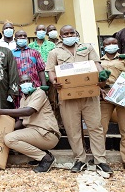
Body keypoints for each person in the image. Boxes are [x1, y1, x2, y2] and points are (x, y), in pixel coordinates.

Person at [46, 25, 113, 174]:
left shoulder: (87, 48)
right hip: (67, 96)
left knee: (95, 127)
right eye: (66, 33)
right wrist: (53, 81)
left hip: (89, 95)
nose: (69, 35)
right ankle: (80, 159)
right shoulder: (54, 52)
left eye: (72, 33)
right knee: (72, 129)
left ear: (76, 34)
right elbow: (51, 71)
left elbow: (97, 64)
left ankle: (100, 160)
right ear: (61, 37)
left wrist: (102, 76)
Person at [0, 74, 60, 173]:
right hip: (36, 133)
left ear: (33, 83)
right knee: (8, 136)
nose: (25, 84)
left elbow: (28, 111)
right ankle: (40, 155)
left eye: (27, 81)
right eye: (22, 82)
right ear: (19, 86)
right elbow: (21, 122)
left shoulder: (39, 93)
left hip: (47, 133)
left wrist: (1, 111)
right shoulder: (23, 99)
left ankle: (46, 158)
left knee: (10, 139)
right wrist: (2, 130)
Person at [99, 37, 125, 169]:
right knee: (101, 128)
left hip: (122, 95)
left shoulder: (123, 58)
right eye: (108, 43)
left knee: (124, 128)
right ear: (103, 46)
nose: (111, 45)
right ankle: (100, 158)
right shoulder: (98, 61)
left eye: (114, 43)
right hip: (105, 95)